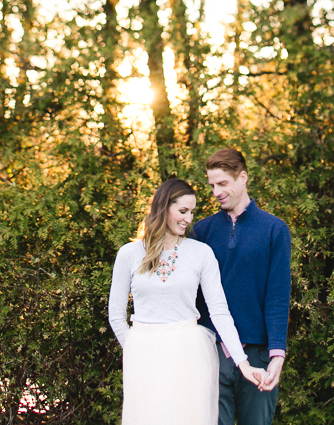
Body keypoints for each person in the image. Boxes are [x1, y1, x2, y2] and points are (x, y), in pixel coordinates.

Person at [108, 178, 265, 425]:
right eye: (183, 211)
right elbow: (116, 315)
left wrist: (244, 365)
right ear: (163, 208)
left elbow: (220, 313)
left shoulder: (200, 253)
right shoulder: (129, 254)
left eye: (191, 212)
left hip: (188, 354)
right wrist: (135, 349)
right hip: (143, 354)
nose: (189, 219)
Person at [193, 148, 292, 425]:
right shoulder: (202, 232)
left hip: (258, 352)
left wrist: (277, 355)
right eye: (212, 185)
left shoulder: (274, 229)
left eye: (222, 183)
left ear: (243, 177)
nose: (216, 192)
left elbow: (277, 296)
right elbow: (195, 298)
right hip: (213, 351)